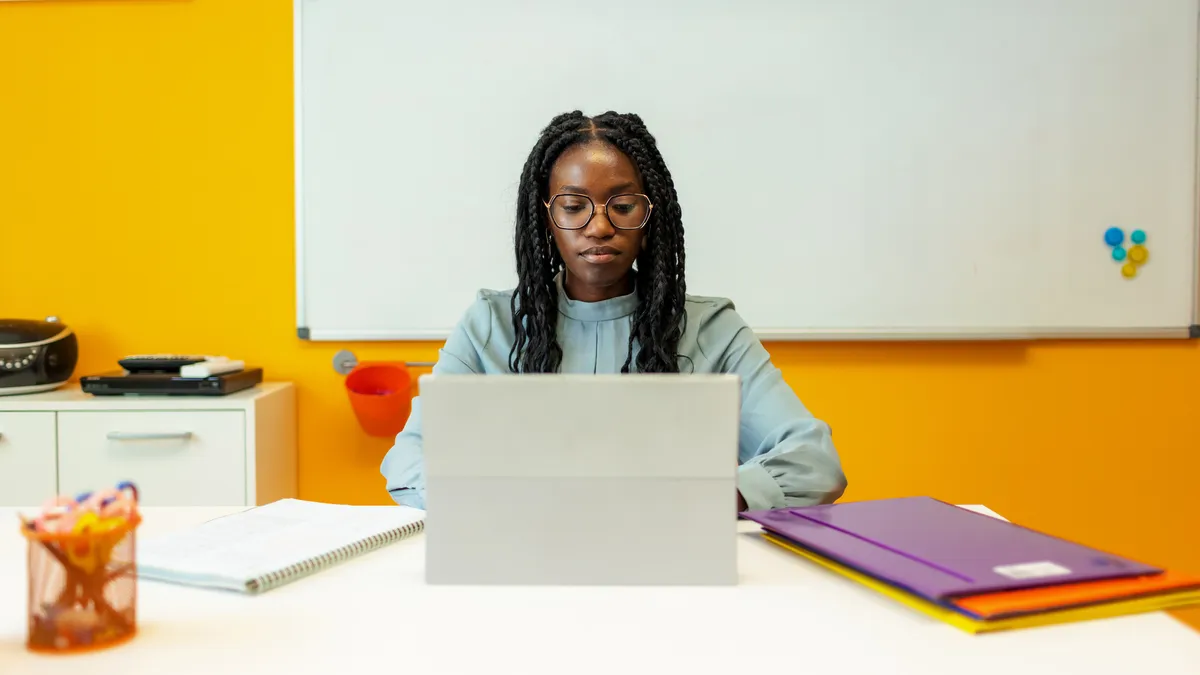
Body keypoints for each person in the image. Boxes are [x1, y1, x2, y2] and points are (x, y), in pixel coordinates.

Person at [380, 110, 846, 511]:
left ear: (649, 216)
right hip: (523, 562)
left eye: (622, 205)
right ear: (547, 218)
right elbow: (411, 456)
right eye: (573, 206)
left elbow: (814, 462)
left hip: (668, 567)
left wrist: (696, 499)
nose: (599, 226)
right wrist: (492, 500)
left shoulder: (711, 330)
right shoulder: (491, 325)